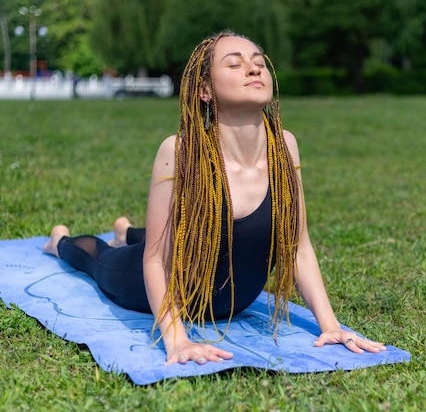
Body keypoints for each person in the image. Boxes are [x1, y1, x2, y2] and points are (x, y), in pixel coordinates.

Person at [43, 30, 385, 365]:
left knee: (189, 233)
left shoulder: (285, 145)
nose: (254, 69)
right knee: (98, 259)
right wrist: (177, 339)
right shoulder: (179, 151)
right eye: (235, 65)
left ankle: (127, 231)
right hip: (173, 292)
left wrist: (331, 326)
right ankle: (60, 242)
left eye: (258, 62)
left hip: (238, 301)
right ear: (205, 89)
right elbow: (156, 260)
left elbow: (298, 247)